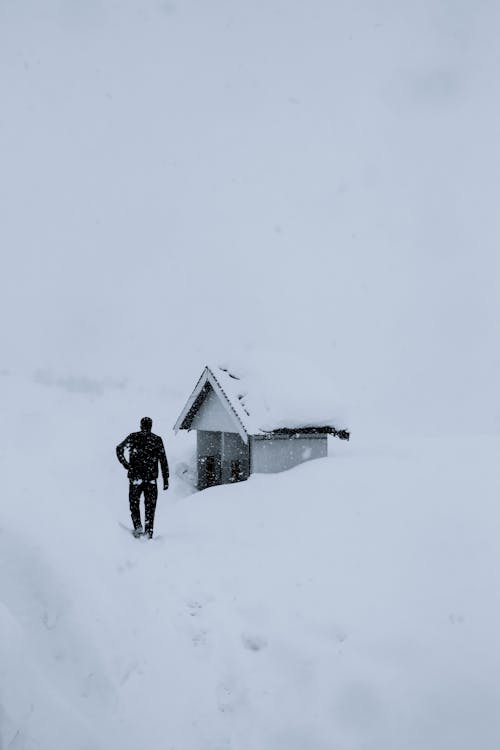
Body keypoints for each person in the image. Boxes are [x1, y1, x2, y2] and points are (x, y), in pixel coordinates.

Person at [116, 417, 169, 538]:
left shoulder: (133, 437)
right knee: (150, 507)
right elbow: (163, 460)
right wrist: (166, 479)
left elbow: (119, 449)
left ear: (140, 426)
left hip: (136, 479)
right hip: (151, 480)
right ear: (151, 426)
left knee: (134, 504)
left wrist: (127, 465)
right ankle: (149, 531)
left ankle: (138, 526)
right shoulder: (156, 440)